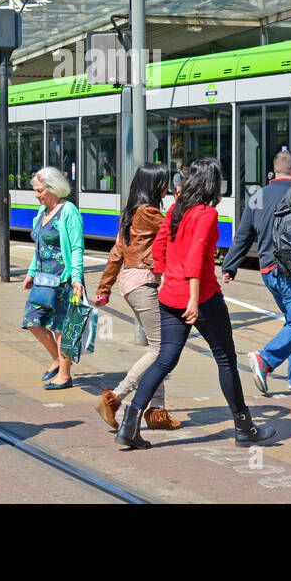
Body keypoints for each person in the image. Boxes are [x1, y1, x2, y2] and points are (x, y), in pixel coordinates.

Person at [115, 158, 275, 450]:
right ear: (213, 184)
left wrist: (166, 278)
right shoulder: (206, 214)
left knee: (165, 359)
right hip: (200, 298)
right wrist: (192, 297)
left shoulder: (177, 209)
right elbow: (197, 257)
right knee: (226, 359)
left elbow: (160, 246)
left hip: (169, 296)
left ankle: (129, 423)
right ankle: (244, 427)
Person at [222, 150, 291, 395]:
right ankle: (265, 359)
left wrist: (230, 266)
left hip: (268, 271)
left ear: (275, 170)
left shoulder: (257, 196)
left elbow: (243, 234)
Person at [93, 163, 180, 432]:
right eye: (165, 183)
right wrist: (181, 201)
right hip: (143, 282)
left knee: (159, 349)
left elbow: (117, 252)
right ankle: (115, 398)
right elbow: (176, 228)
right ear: (155, 185)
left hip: (133, 281)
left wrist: (104, 287)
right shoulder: (149, 211)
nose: (167, 188)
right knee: (160, 350)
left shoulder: (132, 211)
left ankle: (157, 412)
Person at [22, 166, 85, 391]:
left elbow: (77, 247)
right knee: (32, 321)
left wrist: (77, 278)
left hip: (65, 281)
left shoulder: (68, 211)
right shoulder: (41, 213)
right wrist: (30, 274)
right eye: (36, 191)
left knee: (61, 328)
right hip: (42, 279)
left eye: (40, 191)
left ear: (54, 188)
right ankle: (56, 360)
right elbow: (38, 248)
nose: (37, 195)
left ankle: (65, 375)